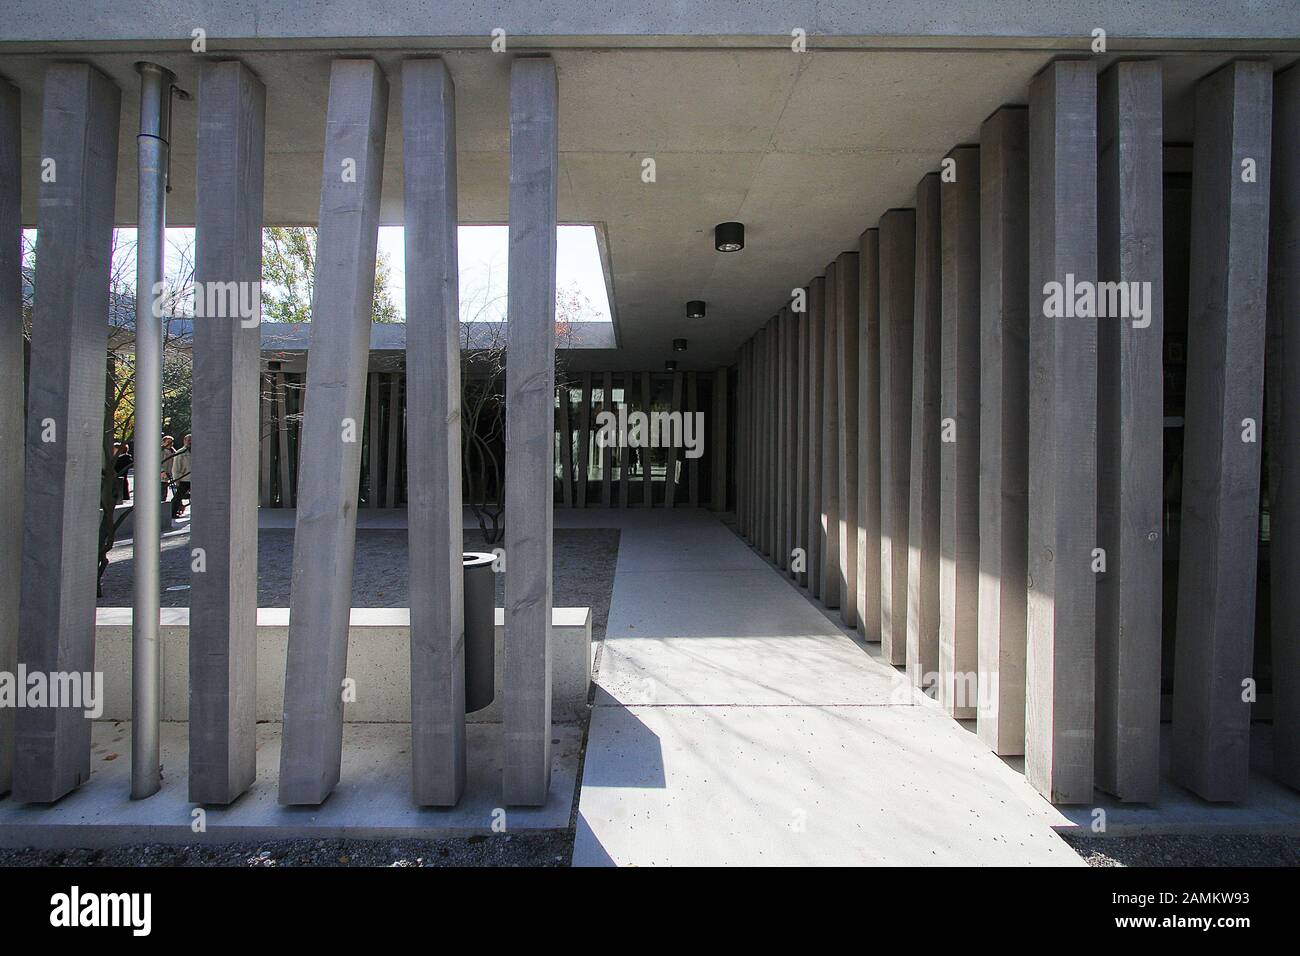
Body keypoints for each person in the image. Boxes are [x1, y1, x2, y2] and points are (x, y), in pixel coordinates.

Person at [170, 434, 192, 518]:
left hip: (196, 478)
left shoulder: (199, 451)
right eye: (188, 440)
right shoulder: (180, 452)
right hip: (184, 478)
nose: (190, 442)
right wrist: (177, 480)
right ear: (184, 441)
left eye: (191, 440)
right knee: (178, 497)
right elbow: (176, 467)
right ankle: (173, 512)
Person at [160, 434, 175, 503]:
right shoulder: (160, 451)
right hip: (161, 475)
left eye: (171, 442)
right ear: (163, 442)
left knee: (164, 492)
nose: (170, 444)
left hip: (168, 475)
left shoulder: (173, 451)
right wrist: (162, 471)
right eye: (168, 442)